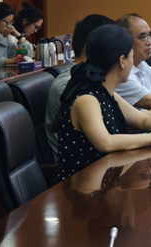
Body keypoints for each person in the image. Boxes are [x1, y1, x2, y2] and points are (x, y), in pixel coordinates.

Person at [57, 25, 151, 180]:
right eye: (131, 57)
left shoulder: (107, 92)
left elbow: (142, 120)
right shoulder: (87, 99)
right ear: (122, 61)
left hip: (107, 176)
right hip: (81, 187)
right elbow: (105, 142)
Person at [46, 14, 114, 158]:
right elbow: (105, 141)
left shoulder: (95, 78)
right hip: (81, 165)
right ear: (92, 47)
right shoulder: (70, 83)